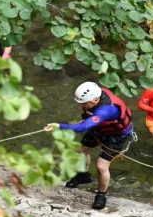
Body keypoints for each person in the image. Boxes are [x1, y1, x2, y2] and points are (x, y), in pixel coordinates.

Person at [44, 81, 133, 210]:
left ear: (96, 100)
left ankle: (101, 195)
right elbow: (88, 121)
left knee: (101, 166)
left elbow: (82, 127)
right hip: (100, 128)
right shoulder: (96, 94)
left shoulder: (106, 110)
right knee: (82, 150)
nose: (83, 106)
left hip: (116, 134)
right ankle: (84, 176)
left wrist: (59, 126)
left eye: (85, 104)